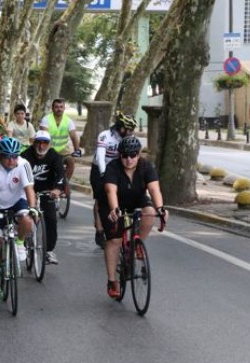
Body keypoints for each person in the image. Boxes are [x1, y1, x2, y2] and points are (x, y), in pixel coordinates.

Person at [101, 136, 168, 299]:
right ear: (120, 155)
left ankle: (137, 243)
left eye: (133, 155)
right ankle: (111, 281)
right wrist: (115, 210)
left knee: (150, 211)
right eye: (125, 156)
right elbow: (111, 191)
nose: (129, 159)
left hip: (136, 199)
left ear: (138, 154)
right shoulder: (113, 167)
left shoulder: (146, 166)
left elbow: (154, 189)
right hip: (113, 204)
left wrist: (161, 208)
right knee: (115, 241)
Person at [0, 137, 38, 295]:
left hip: (17, 201)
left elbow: (29, 189)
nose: (11, 160)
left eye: (15, 156)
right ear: (0, 155)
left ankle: (20, 243)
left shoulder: (23, 164)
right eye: (7, 156)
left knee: (27, 219)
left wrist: (33, 208)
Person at [90, 111, 137, 247]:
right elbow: (100, 157)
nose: (130, 132)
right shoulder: (105, 136)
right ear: (120, 126)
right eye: (127, 129)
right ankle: (99, 230)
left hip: (117, 170)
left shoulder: (128, 138)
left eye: (131, 130)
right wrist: (104, 174)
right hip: (100, 168)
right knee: (101, 198)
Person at [20, 131, 65, 264]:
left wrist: (57, 189)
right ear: (34, 143)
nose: (41, 146)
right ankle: (20, 244)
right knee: (23, 217)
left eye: (45, 143)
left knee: (51, 219)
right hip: (28, 191)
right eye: (38, 142)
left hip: (47, 192)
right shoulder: (25, 156)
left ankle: (49, 251)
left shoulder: (54, 156)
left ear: (49, 144)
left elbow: (61, 174)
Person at [39, 98, 82, 181]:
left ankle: (65, 183)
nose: (59, 109)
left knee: (71, 161)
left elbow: (74, 137)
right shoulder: (46, 119)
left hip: (63, 150)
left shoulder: (68, 121)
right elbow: (44, 137)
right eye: (56, 107)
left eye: (61, 107)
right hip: (49, 150)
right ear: (52, 108)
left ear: (64, 108)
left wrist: (77, 151)